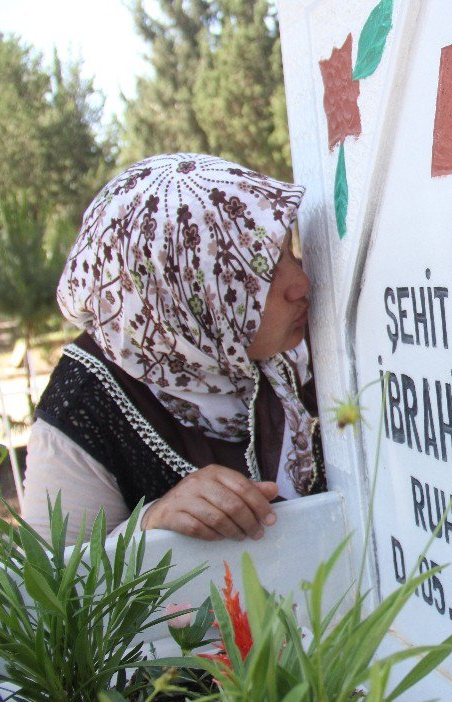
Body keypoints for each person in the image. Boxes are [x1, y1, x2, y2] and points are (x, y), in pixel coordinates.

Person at [21, 153, 326, 545]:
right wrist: (151, 525)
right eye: (261, 272)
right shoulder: (85, 405)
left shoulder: (292, 351)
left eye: (288, 252)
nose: (300, 283)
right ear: (181, 297)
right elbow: (48, 587)